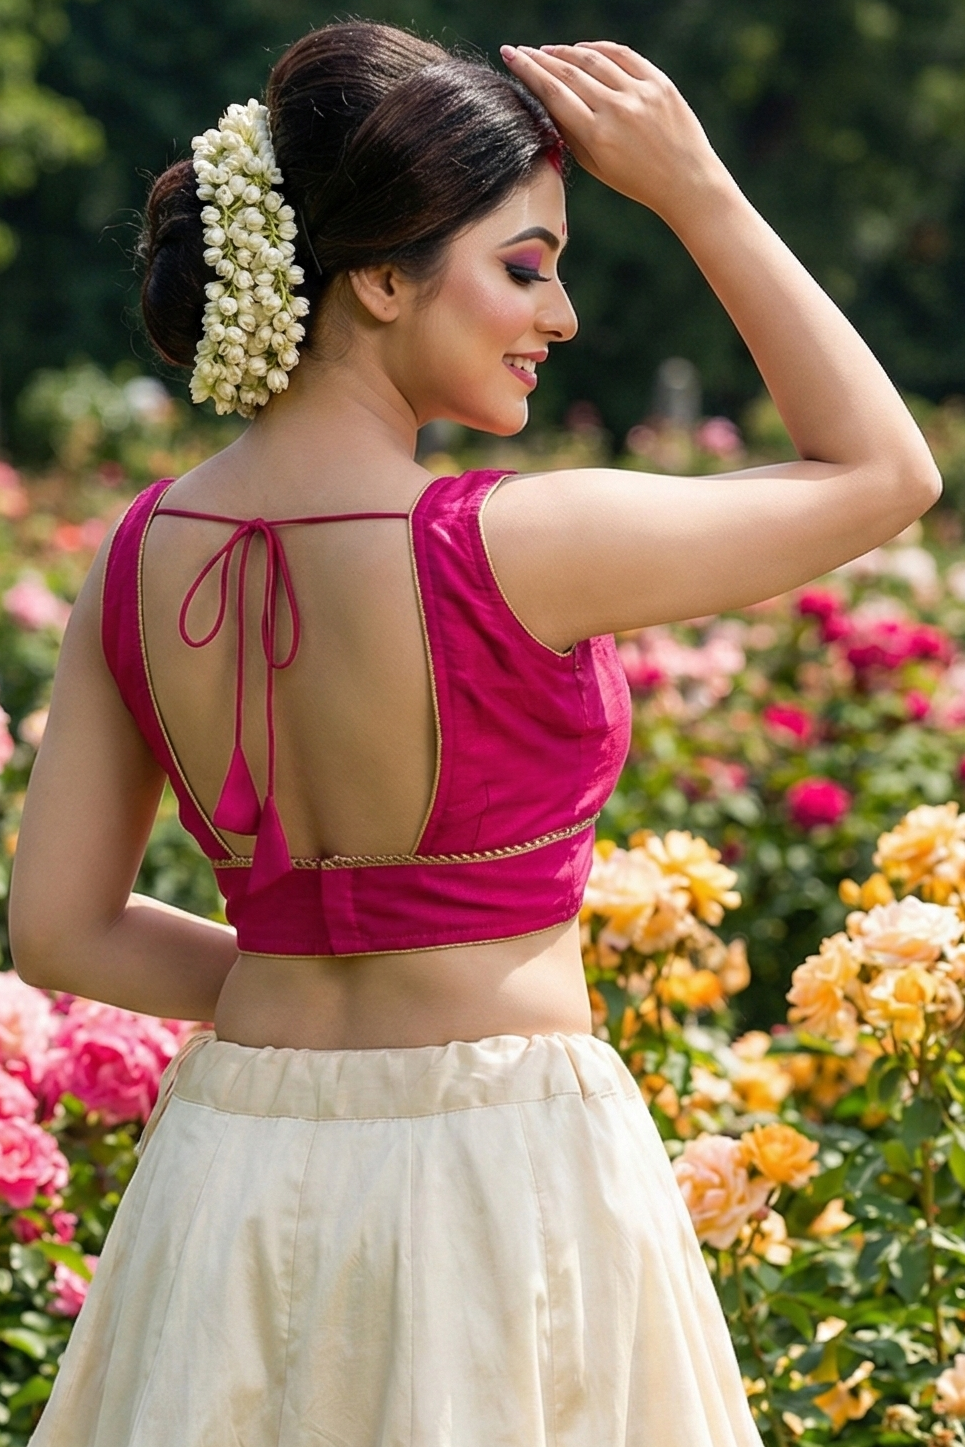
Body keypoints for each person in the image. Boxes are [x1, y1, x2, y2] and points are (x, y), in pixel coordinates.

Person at [10, 20, 939, 1447]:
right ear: (379, 276)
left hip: (230, 1170)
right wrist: (696, 188)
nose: (559, 316)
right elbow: (886, 471)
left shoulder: (136, 557)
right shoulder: (522, 542)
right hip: (500, 1162)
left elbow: (58, 933)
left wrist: (300, 974)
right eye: (526, 264)